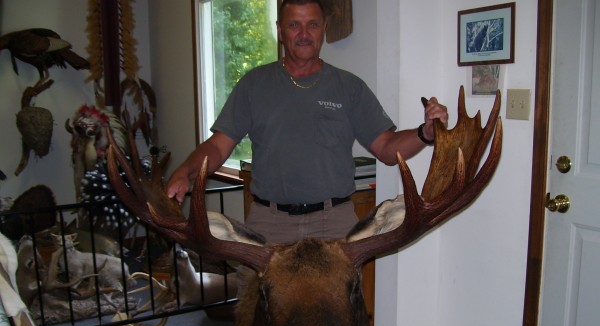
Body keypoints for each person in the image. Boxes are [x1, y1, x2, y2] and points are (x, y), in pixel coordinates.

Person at [167, 0, 449, 244]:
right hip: (269, 223)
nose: (304, 34)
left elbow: (387, 148)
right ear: (280, 30)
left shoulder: (349, 88)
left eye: (312, 25)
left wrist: (424, 133)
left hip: (334, 223)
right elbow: (218, 147)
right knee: (264, 308)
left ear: (323, 28)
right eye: (294, 25)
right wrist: (185, 171)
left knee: (337, 308)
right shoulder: (254, 85)